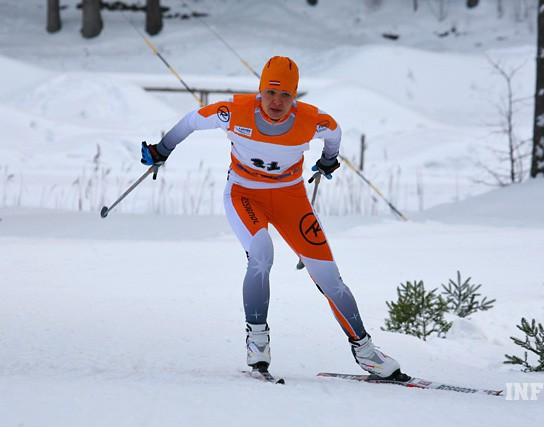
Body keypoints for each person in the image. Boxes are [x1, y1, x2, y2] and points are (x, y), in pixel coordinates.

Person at [140, 56, 401, 378]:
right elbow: (192, 120)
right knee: (262, 254)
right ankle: (257, 342)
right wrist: (163, 149)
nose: (276, 102)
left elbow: (334, 133)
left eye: (286, 95)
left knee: (329, 277)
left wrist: (329, 160)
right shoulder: (233, 111)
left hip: (291, 200)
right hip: (244, 195)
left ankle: (366, 352)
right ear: (260, 91)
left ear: (295, 97)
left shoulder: (313, 120)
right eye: (270, 93)